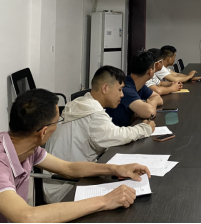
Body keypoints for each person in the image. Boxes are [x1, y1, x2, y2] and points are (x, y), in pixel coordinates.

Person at [0, 89, 151, 223]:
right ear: (43, 132)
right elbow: (26, 217)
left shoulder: (24, 146)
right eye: (58, 121)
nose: (59, 125)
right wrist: (105, 201)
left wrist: (116, 168)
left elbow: (68, 168)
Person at [44, 66, 156, 203]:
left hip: (65, 179)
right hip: (65, 188)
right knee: (127, 196)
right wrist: (146, 128)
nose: (122, 95)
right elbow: (118, 135)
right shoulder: (93, 115)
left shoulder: (83, 102)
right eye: (120, 90)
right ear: (105, 88)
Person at [106, 51, 163, 127]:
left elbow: (158, 98)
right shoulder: (126, 89)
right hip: (117, 131)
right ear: (150, 71)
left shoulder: (137, 84)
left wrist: (149, 104)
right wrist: (150, 105)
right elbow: (150, 113)